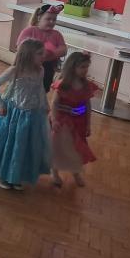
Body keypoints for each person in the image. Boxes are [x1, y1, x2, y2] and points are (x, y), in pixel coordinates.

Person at [0, 38, 51, 190]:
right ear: (29, 55)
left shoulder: (40, 71)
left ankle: (16, 176)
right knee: (10, 145)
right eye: (40, 54)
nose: (43, 56)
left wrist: (45, 104)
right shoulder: (15, 70)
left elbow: (40, 89)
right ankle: (4, 176)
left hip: (31, 114)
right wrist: (0, 104)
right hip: (13, 114)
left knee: (22, 147)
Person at [50, 52, 99, 188]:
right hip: (63, 122)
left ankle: (76, 172)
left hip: (79, 122)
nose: (85, 70)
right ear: (72, 67)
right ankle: (54, 172)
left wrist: (88, 124)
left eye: (87, 67)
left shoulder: (86, 86)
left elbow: (87, 105)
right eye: (82, 67)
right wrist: (54, 119)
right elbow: (54, 103)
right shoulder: (63, 85)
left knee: (76, 149)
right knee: (59, 147)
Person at [17, 3, 67, 92]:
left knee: (43, 89)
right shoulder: (30, 31)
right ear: (39, 18)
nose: (52, 22)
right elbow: (20, 47)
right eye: (48, 19)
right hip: (29, 66)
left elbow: (64, 49)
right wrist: (38, 53)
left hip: (48, 68)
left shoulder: (57, 34)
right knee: (26, 90)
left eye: (54, 20)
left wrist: (53, 53)